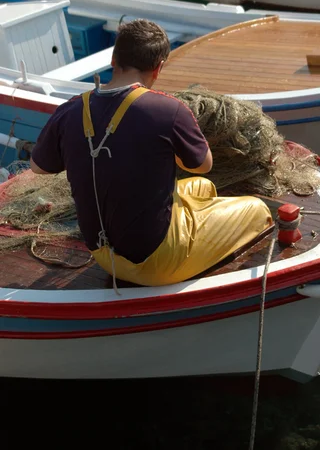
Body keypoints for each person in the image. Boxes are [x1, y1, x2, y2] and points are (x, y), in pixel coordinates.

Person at [31, 19, 272, 286]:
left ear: (113, 59)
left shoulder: (72, 109)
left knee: (202, 188)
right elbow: (203, 164)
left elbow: (38, 166)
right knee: (257, 210)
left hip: (102, 253)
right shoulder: (169, 110)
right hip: (157, 262)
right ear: (158, 68)